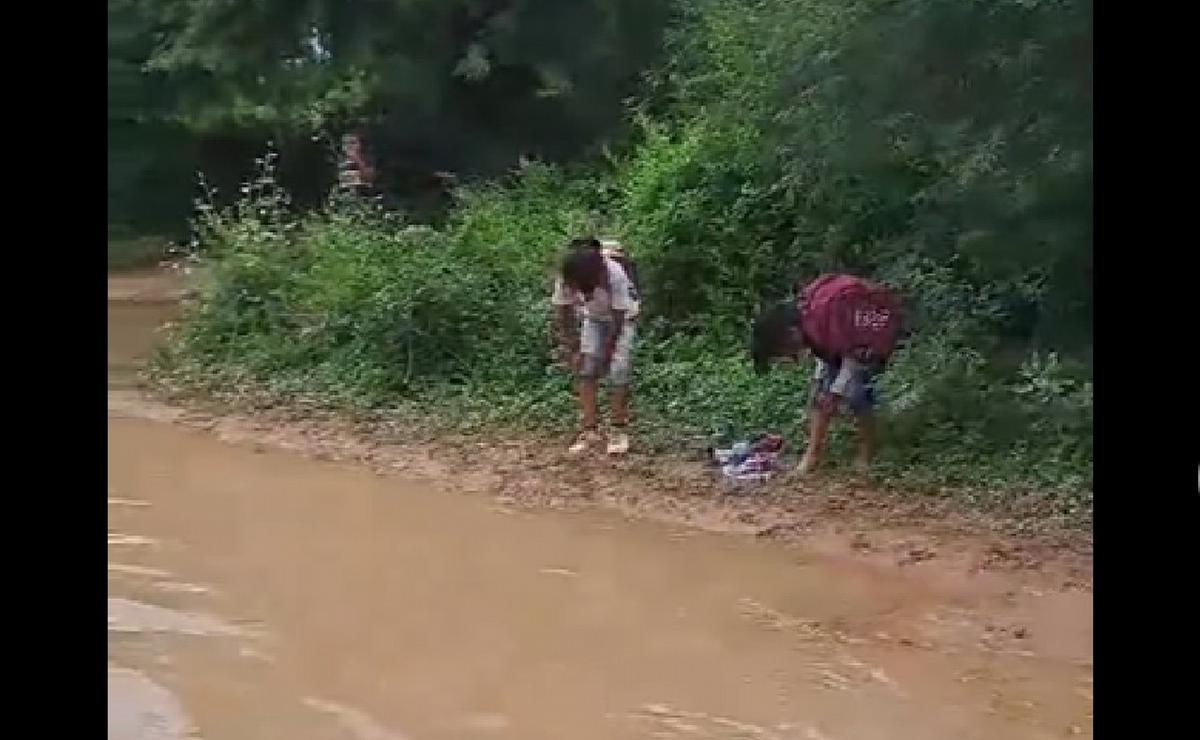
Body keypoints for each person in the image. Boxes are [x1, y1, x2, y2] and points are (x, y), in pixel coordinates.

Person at [750, 274, 902, 475]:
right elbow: (824, 351)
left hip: (866, 337)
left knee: (857, 392)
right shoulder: (809, 319)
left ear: (787, 334)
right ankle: (812, 456)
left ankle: (867, 453)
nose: (787, 356)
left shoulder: (825, 314)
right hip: (846, 343)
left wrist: (836, 392)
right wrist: (821, 385)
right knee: (820, 396)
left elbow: (853, 360)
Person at [552, 237, 641, 455]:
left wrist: (608, 354)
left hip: (623, 319)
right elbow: (563, 313)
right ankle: (589, 430)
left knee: (619, 371)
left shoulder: (614, 275)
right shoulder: (567, 276)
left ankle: (618, 429)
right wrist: (573, 349)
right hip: (594, 318)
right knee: (586, 370)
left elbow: (619, 318)